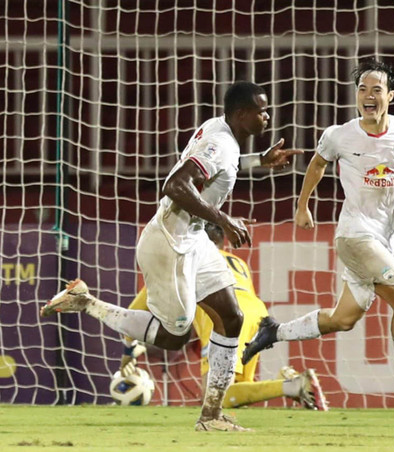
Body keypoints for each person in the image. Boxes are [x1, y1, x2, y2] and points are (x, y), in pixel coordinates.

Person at [40, 81, 302, 431]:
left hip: (193, 240)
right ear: (242, 114)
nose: (267, 117)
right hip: (169, 243)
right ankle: (85, 302)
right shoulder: (220, 141)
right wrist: (223, 218)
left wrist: (259, 160)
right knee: (173, 336)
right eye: (262, 110)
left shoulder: (219, 130)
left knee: (232, 316)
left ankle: (211, 416)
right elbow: (176, 185)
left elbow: (222, 165)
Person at [241, 59, 394, 411]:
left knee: (343, 319)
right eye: (362, 89)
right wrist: (303, 207)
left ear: (390, 95)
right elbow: (317, 163)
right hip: (354, 236)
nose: (368, 96)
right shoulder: (339, 135)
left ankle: (273, 331)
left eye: (377, 89)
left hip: (384, 238)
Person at [119, 222, 328, 411]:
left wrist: (128, 350)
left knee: (215, 396)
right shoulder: (237, 261)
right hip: (256, 315)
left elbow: (135, 310)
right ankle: (285, 379)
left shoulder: (187, 261)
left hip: (224, 319)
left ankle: (295, 386)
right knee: (235, 395)